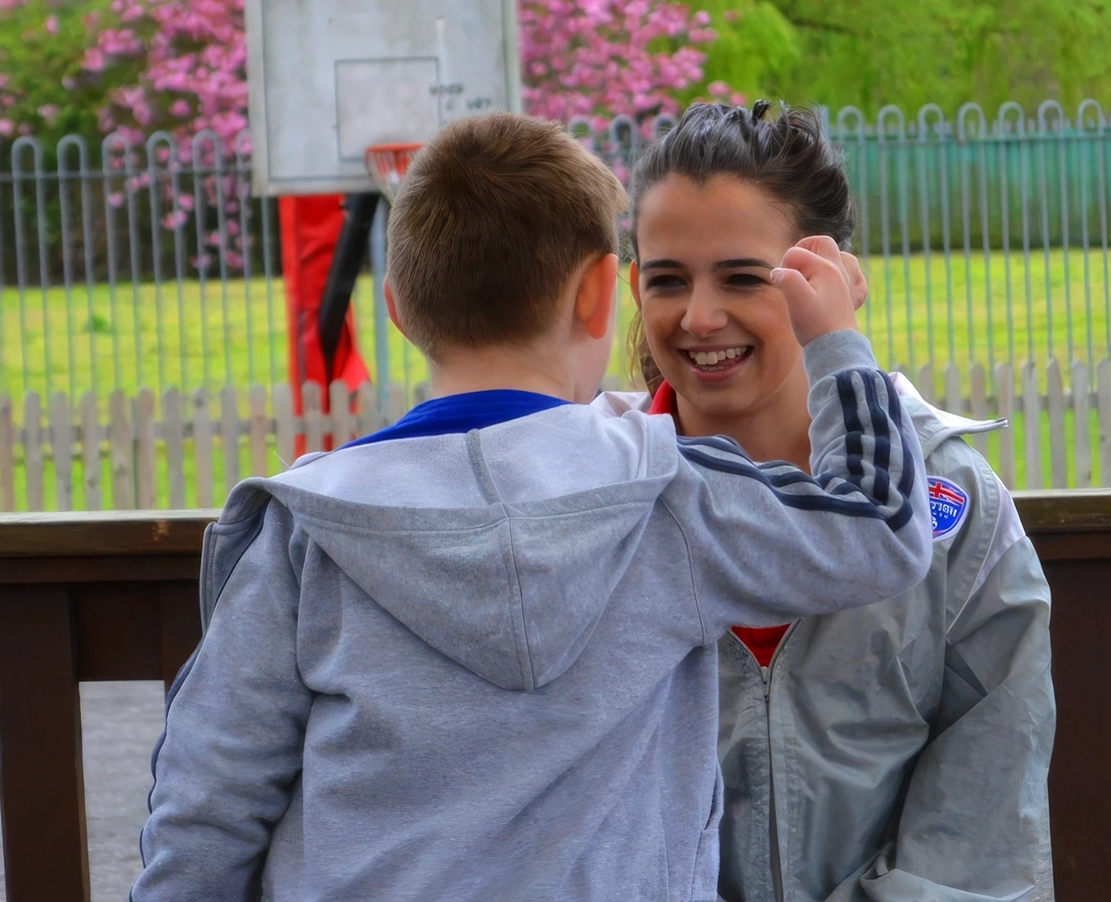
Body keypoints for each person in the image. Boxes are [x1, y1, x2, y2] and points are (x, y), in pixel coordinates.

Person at [133, 112, 935, 901]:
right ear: (597, 294)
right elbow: (881, 532)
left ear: (399, 309)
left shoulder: (306, 529)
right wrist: (835, 341)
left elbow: (208, 802)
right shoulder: (668, 498)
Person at [606, 100, 1056, 902]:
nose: (699, 316)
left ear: (829, 279)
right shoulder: (593, 499)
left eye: (744, 277)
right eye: (668, 280)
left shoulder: (954, 506)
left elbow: (981, 813)